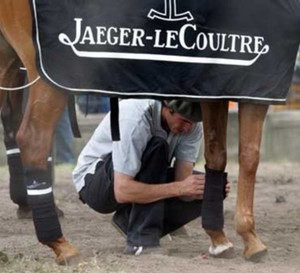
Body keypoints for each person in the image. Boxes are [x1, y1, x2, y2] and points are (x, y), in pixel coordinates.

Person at [72, 98, 229, 255]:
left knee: (215, 186)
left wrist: (203, 188)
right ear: (167, 108)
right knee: (157, 146)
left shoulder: (193, 127)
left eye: (192, 122)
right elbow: (122, 191)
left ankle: (127, 221)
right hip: (95, 184)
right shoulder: (134, 118)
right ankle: (141, 240)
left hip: (137, 178)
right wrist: (179, 188)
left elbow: (184, 186)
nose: (187, 128)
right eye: (184, 121)